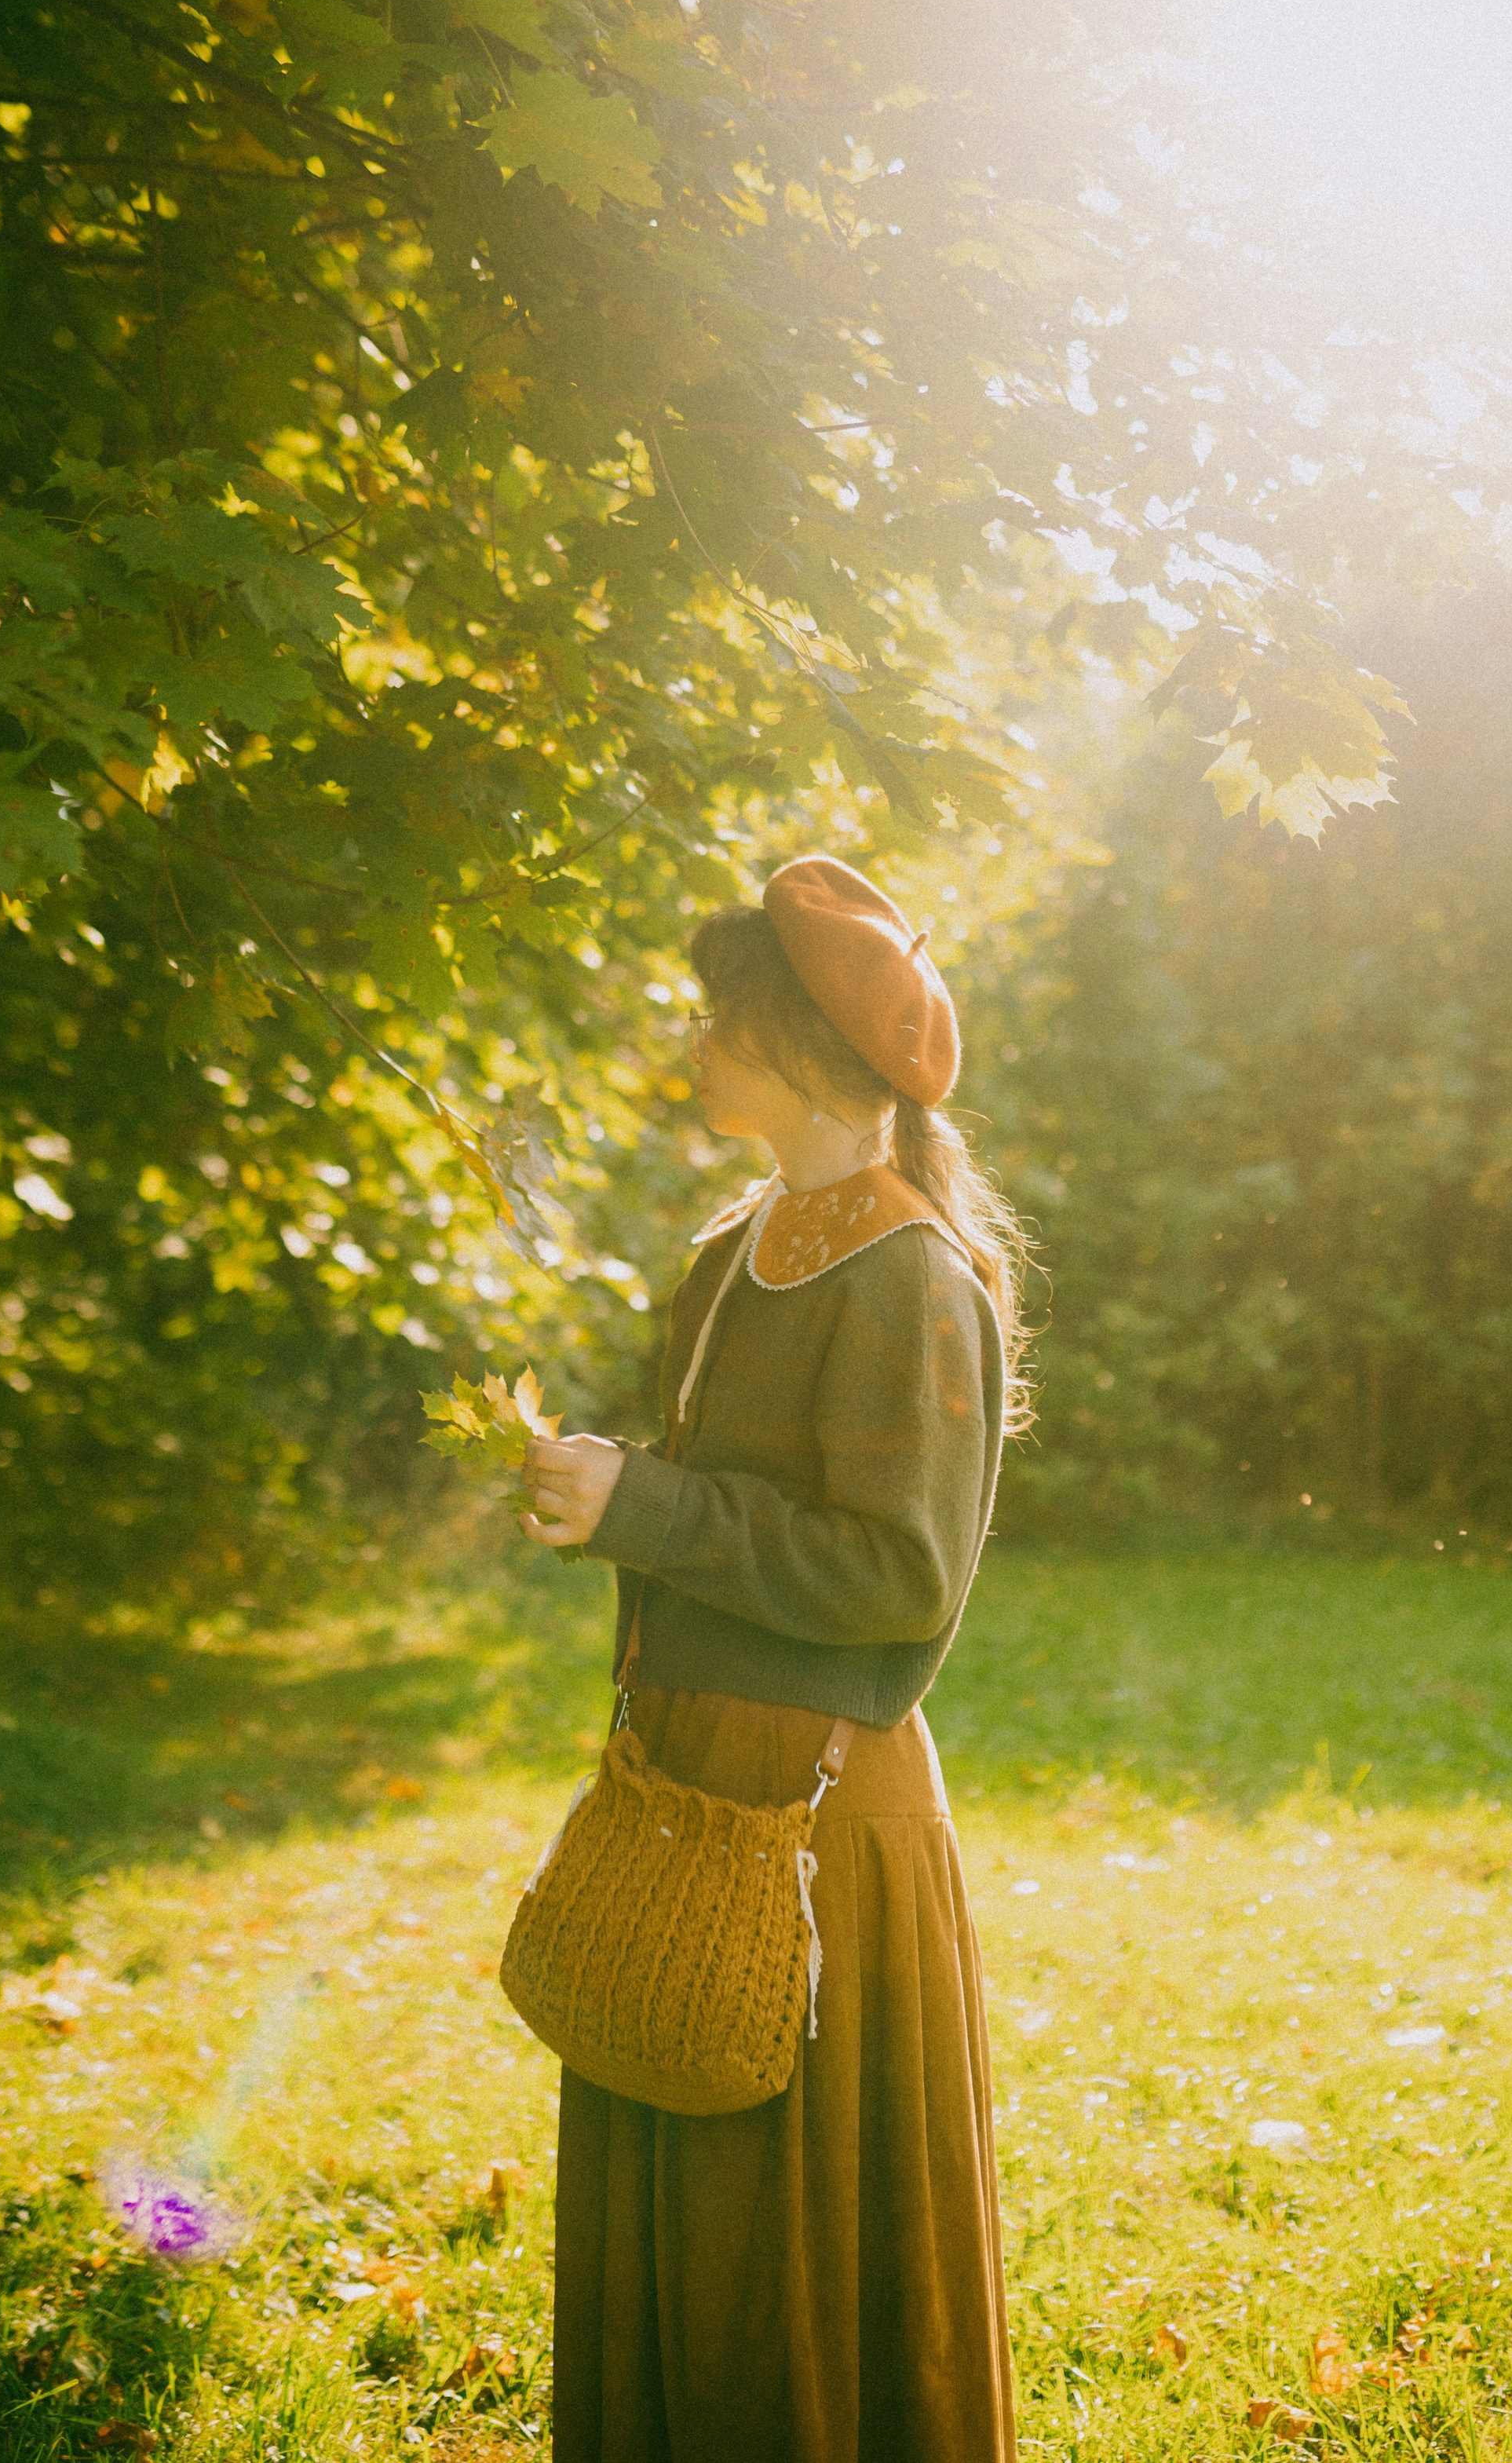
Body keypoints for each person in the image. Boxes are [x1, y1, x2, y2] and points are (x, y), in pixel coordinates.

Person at [518, 854, 1025, 2463]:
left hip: (820, 1818)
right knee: (677, 2184)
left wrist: (644, 1507)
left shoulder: (912, 1272)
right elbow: (715, 1511)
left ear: (807, 1042)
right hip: (683, 1778)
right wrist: (608, 1492)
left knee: (787, 2242)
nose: (692, 1038)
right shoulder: (731, 1247)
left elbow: (898, 1571)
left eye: (720, 1015)